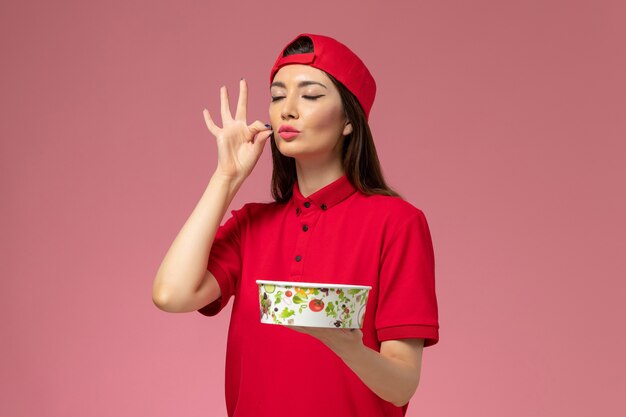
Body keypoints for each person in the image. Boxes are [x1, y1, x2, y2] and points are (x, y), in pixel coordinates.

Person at [152, 33, 439, 417]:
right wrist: (226, 178)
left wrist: (346, 346)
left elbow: (402, 385)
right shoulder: (252, 225)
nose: (287, 109)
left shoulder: (398, 223)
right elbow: (171, 294)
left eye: (311, 95)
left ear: (350, 121)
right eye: (276, 96)